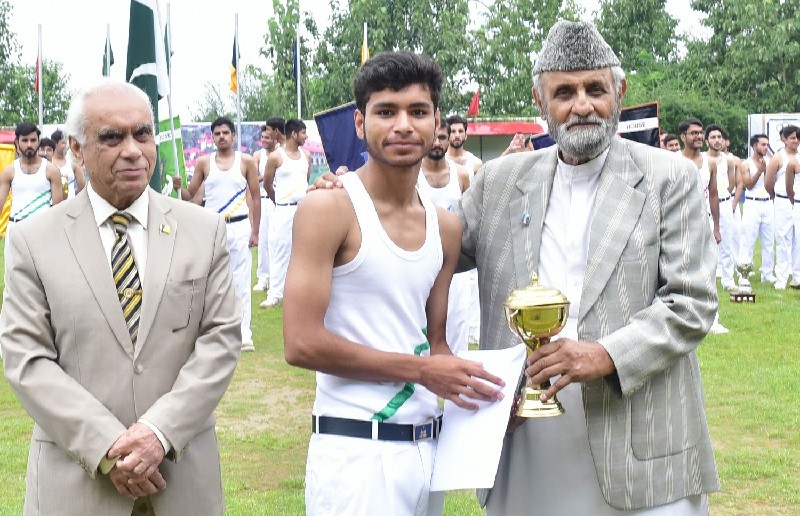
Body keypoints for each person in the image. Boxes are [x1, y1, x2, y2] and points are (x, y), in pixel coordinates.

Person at [460, 21, 719, 514]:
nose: (582, 105)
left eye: (595, 89)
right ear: (540, 102)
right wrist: (354, 197)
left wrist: (604, 356)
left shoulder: (669, 178)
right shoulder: (499, 182)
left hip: (640, 433)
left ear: (619, 92)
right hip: (529, 439)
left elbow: (692, 302)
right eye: (564, 93)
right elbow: (427, 248)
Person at [0, 79, 241, 516]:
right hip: (77, 488)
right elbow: (26, 358)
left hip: (182, 482)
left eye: (142, 133)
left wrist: (159, 433)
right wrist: (108, 447)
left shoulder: (204, 232)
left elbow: (220, 339)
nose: (133, 150)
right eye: (112, 137)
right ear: (77, 148)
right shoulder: (33, 241)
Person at [285, 51, 505, 516]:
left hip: (427, 451)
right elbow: (301, 343)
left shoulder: (446, 227)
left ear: (436, 122)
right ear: (360, 123)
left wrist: (495, 392)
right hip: (355, 452)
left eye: (418, 111)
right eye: (386, 111)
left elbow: (435, 346)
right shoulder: (329, 209)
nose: (403, 125)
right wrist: (421, 371)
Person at [177, 117, 260, 351]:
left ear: (233, 135)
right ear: (212, 137)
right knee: (212, 281)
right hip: (213, 228)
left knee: (241, 281)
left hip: (240, 226)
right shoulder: (204, 163)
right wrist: (178, 186)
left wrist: (255, 230)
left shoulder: (245, 161)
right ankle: (214, 331)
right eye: (217, 133)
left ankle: (244, 333)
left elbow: (255, 197)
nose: (221, 137)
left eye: (225, 132)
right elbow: (189, 195)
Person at [417, 118, 472, 356]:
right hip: (422, 262)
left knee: (458, 327)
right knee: (421, 333)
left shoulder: (462, 175)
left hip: (456, 265)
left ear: (449, 140)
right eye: (433, 137)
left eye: (442, 137)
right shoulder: (412, 174)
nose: (437, 143)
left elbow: (470, 218)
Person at [679, 118, 727, 334]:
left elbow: (714, 195)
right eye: (694, 133)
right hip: (679, 222)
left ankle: (712, 319)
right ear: (683, 137)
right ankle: (683, 317)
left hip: (704, 220)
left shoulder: (710, 163)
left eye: (700, 133)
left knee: (708, 269)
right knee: (681, 270)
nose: (698, 136)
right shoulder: (673, 160)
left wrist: (716, 226)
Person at [259, 118, 311, 309]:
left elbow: (305, 180)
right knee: (280, 251)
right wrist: (279, 201)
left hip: (303, 208)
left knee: (306, 251)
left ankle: (302, 291)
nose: (306, 137)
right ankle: (275, 294)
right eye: (303, 133)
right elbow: (267, 184)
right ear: (293, 134)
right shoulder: (276, 157)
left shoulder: (307, 156)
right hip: (283, 209)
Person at [0, 123, 64, 253]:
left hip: (42, 231)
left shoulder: (51, 170)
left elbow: (58, 210)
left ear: (38, 142)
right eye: (25, 140)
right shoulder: (9, 171)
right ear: (17, 143)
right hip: (15, 230)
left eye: (33, 140)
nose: (29, 144)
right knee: (13, 267)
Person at [738, 134, 776, 283]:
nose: (766, 147)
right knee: (747, 239)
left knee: (768, 240)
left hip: (767, 203)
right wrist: (760, 170)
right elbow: (748, 185)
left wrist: (767, 171)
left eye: (767, 144)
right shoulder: (746, 164)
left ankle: (767, 273)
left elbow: (773, 183)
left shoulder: (770, 163)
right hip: (752, 204)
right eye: (763, 144)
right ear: (754, 146)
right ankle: (744, 271)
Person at [705, 124, 739, 291]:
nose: (717, 140)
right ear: (706, 141)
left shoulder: (729, 160)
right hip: (705, 203)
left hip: (724, 202)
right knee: (705, 243)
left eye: (719, 137)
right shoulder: (703, 159)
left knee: (726, 242)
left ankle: (728, 279)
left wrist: (723, 196)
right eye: (713, 137)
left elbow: (731, 184)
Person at [765, 124, 799, 289]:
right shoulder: (778, 157)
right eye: (792, 138)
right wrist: (776, 196)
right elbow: (768, 182)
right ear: (784, 139)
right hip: (783, 200)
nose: (795, 141)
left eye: (798, 138)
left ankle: (796, 275)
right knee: (783, 238)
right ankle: (782, 277)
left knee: (797, 239)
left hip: (797, 201)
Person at [252, 123, 279, 292]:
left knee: (276, 240)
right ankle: (263, 277)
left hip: (278, 200)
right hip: (263, 199)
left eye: (267, 137)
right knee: (263, 240)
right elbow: (254, 179)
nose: (264, 140)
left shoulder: (280, 154)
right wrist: (267, 175)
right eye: (262, 137)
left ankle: (277, 277)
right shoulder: (258, 155)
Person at [51, 128, 87, 198]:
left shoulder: (73, 165)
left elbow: (82, 188)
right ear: (55, 144)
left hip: (71, 203)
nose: (66, 146)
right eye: (63, 143)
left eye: (67, 143)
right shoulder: (48, 165)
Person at [783, 153, 800, 287]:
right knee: (798, 242)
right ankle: (797, 277)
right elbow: (789, 188)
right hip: (798, 204)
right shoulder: (793, 162)